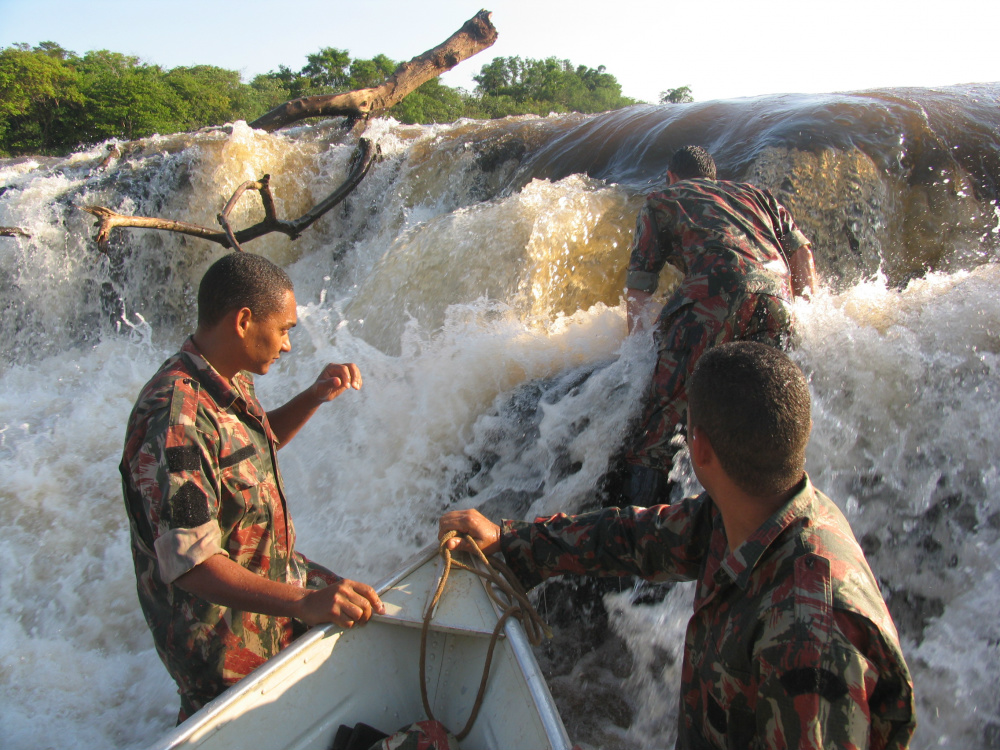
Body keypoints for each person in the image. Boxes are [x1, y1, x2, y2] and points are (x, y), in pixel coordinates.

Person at [440, 342, 915, 749]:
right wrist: (511, 539)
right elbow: (634, 538)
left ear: (701, 449)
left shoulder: (811, 635)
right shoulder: (751, 509)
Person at [120, 252, 384, 721]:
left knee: (369, 613)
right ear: (244, 321)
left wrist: (312, 398)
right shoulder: (174, 420)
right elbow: (193, 565)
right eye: (284, 330)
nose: (286, 346)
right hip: (223, 641)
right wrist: (305, 602)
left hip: (271, 593)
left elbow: (248, 450)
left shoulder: (229, 378)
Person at [622, 145, 819, 504]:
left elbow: (639, 287)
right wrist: (807, 308)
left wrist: (637, 357)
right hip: (778, 304)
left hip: (711, 303)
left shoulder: (663, 198)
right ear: (715, 176)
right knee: (760, 419)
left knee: (657, 434)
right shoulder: (757, 194)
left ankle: (637, 539)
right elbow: (802, 252)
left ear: (671, 176)